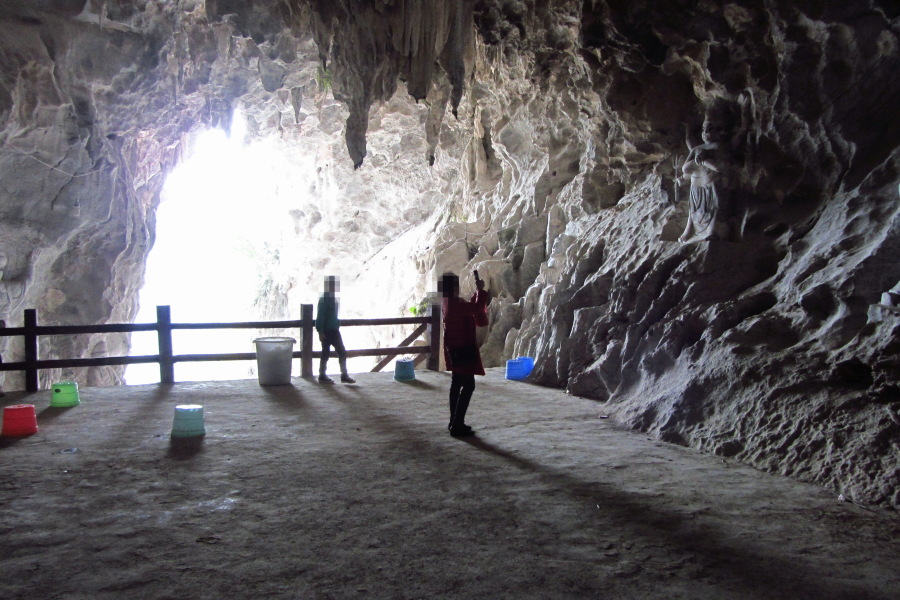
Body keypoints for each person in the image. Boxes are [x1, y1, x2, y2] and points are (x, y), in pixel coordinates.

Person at [440, 271, 488, 437]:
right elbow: (474, 308)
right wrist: (480, 291)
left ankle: (453, 421)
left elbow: (468, 309)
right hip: (462, 348)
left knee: (456, 384)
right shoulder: (454, 303)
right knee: (468, 385)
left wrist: (477, 293)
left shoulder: (447, 302)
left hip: (454, 348)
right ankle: (457, 424)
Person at [315, 275, 355, 384]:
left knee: (341, 351)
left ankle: (344, 375)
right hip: (327, 330)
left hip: (334, 329)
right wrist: (320, 331)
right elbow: (320, 316)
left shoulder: (333, 298)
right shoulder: (324, 299)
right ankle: (322, 375)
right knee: (326, 352)